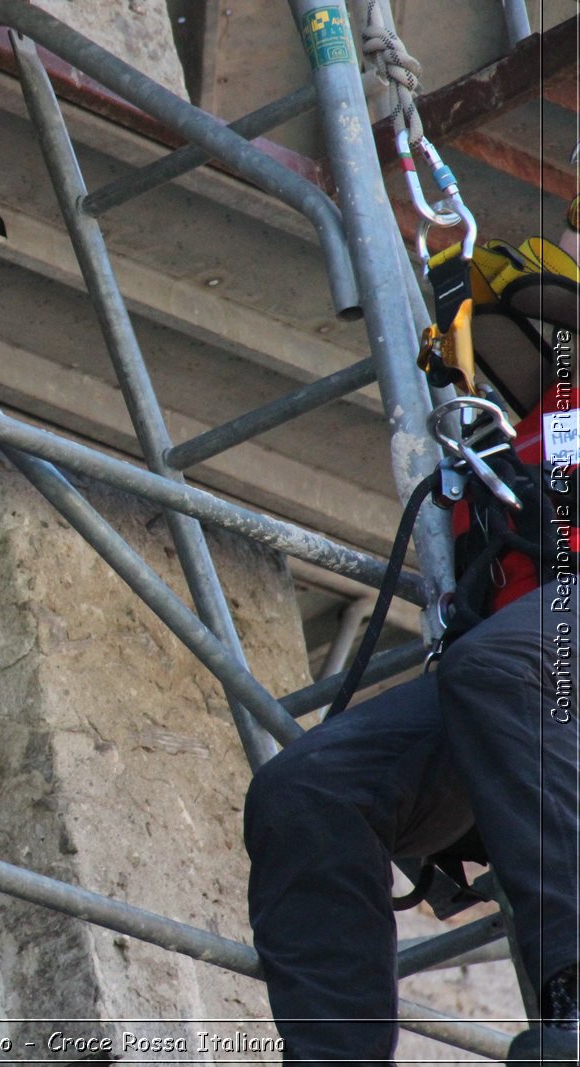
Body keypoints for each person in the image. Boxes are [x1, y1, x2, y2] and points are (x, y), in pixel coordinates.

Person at [243, 211, 580, 1062]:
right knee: (309, 791)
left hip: (530, 668)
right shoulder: (546, 408)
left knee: (505, 663)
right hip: (524, 689)